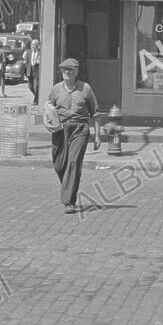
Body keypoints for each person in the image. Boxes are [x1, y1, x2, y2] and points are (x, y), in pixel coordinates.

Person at [46, 59, 100, 214]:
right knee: (59, 164)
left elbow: (95, 113)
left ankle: (69, 201)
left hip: (80, 128)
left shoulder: (86, 89)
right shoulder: (56, 89)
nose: (66, 73)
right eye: (63, 70)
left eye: (70, 70)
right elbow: (48, 108)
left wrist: (98, 136)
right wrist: (48, 121)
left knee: (74, 162)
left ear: (77, 71)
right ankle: (69, 185)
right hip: (60, 129)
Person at [24, 39, 41, 104]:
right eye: (32, 45)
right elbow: (25, 62)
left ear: (37, 45)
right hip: (30, 69)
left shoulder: (40, 52)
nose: (33, 46)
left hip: (36, 70)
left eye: (34, 45)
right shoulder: (28, 52)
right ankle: (38, 97)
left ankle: (35, 100)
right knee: (30, 86)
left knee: (36, 86)